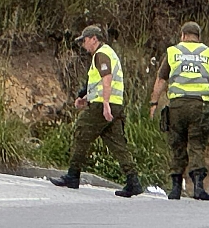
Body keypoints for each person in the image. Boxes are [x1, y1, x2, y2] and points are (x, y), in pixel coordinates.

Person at [50, 25, 144, 198]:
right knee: (117, 144)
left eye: (85, 40)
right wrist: (86, 97)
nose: (84, 45)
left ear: (94, 39)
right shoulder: (108, 53)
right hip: (114, 104)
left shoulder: (101, 55)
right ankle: (133, 181)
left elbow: (106, 78)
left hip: (102, 105)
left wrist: (105, 103)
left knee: (81, 132)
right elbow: (99, 84)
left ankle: (73, 175)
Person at [149, 21, 209, 201]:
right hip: (199, 106)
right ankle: (197, 188)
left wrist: (153, 103)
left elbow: (161, 80)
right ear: (198, 37)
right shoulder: (208, 54)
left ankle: (175, 189)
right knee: (196, 145)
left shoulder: (173, 52)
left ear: (183, 35)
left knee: (177, 145)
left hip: (177, 106)